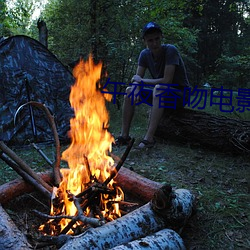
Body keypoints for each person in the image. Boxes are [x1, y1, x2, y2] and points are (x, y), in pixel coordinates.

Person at [115, 21, 191, 148]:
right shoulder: (144, 54)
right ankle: (124, 136)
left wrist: (141, 81)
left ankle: (149, 138)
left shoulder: (170, 50)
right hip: (161, 94)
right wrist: (136, 87)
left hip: (179, 95)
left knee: (159, 88)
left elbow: (167, 80)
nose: (154, 43)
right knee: (129, 91)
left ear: (161, 37)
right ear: (145, 41)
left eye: (157, 39)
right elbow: (136, 80)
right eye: (150, 40)